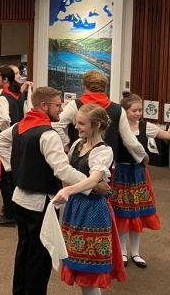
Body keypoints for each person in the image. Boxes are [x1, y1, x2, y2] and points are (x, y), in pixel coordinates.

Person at [0, 87, 110, 295]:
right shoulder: (48, 133)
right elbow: (62, 169)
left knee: (24, 251)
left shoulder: (21, 125)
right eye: (57, 104)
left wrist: (16, 168)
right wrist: (92, 184)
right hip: (41, 202)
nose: (61, 108)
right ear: (44, 106)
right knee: (40, 257)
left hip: (19, 198)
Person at [51, 104, 126, 295]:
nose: (76, 127)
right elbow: (69, 172)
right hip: (75, 208)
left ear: (97, 124)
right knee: (79, 264)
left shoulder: (103, 151)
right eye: (77, 122)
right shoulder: (77, 145)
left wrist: (70, 190)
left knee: (89, 271)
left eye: (82, 123)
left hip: (93, 211)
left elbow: (93, 178)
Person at [115, 94, 164, 268]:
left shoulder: (146, 126)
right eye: (134, 110)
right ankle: (121, 252)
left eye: (140, 110)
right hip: (120, 173)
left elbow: (166, 135)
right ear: (125, 111)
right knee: (122, 214)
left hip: (138, 174)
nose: (138, 113)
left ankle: (135, 252)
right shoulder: (117, 127)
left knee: (137, 214)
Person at [0, 65, 27, 227]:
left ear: (5, 79)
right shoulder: (20, 95)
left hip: (6, 140)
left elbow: (4, 120)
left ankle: (10, 214)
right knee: (14, 175)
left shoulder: (2, 97)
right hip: (19, 139)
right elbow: (24, 116)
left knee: (4, 177)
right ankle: (16, 209)